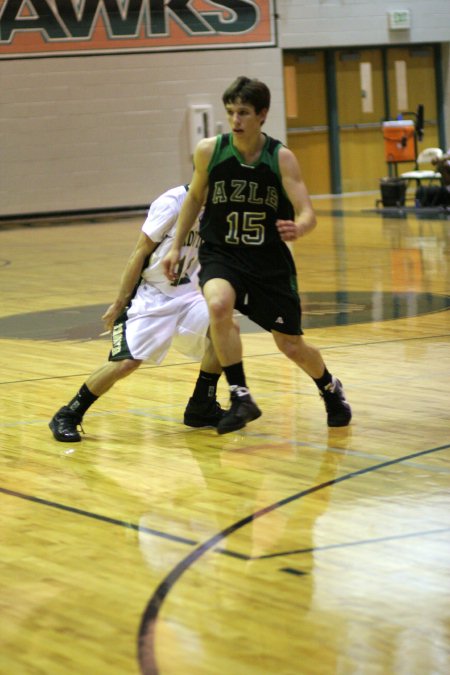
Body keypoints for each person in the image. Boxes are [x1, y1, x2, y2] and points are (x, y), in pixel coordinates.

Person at [163, 76, 352, 435]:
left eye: (244, 113)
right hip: (223, 254)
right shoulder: (209, 151)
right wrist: (176, 247)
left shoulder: (280, 157)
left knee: (291, 345)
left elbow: (307, 211)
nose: (236, 120)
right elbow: (194, 199)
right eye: (231, 112)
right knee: (218, 306)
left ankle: (330, 388)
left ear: (262, 114)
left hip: (268, 263)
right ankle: (240, 395)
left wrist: (301, 227)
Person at [49, 184, 224, 443]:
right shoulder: (172, 202)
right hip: (151, 294)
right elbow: (140, 251)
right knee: (126, 363)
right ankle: (68, 414)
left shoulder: (223, 205)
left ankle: (202, 406)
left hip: (188, 294)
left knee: (224, 330)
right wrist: (120, 302)